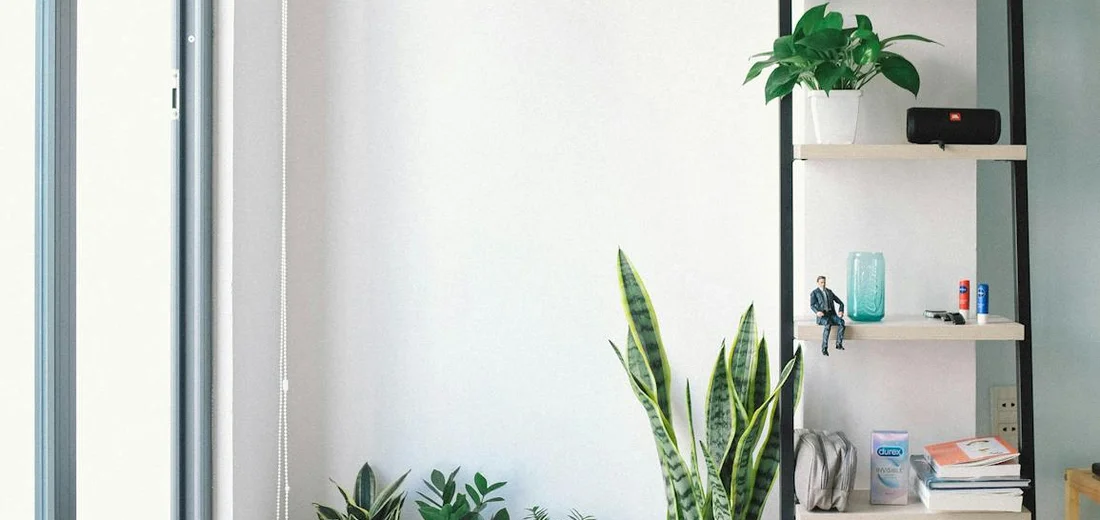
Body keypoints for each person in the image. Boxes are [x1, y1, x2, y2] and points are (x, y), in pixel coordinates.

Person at [811, 275, 845, 356]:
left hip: (831, 314)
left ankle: (838, 344)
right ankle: (824, 348)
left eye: (824, 282)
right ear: (818, 283)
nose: (823, 284)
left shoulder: (829, 292)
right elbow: (812, 305)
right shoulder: (814, 293)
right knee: (828, 324)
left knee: (842, 322)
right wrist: (817, 312)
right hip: (822, 316)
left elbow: (840, 302)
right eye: (821, 282)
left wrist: (841, 311)